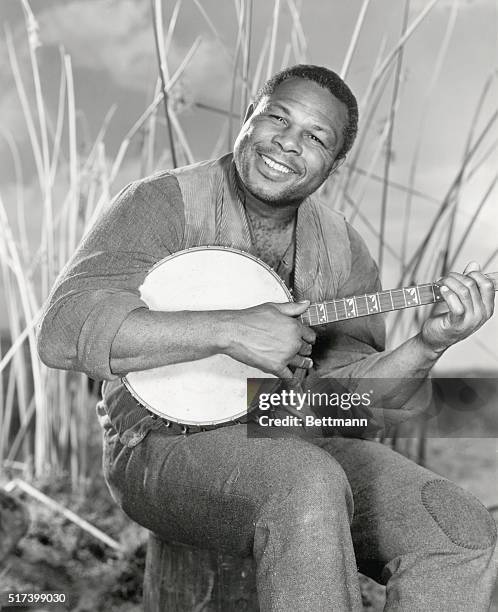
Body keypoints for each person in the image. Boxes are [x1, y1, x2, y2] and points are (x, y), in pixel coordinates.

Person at [37, 65, 496, 611]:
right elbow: (61, 332)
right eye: (277, 116)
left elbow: (351, 407)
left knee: (459, 530)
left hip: (292, 434)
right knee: (304, 484)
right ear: (250, 115)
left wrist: (430, 344)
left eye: (315, 137)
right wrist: (233, 330)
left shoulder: (343, 249)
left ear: (335, 164)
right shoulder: (162, 203)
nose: (287, 141)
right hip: (158, 444)